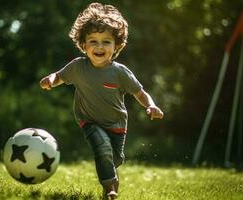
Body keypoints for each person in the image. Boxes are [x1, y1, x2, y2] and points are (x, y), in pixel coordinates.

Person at [39, 2, 164, 199]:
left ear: (116, 46)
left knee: (112, 159)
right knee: (102, 147)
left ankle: (111, 185)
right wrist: (50, 81)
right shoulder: (78, 67)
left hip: (117, 125)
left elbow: (140, 93)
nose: (99, 46)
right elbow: (60, 76)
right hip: (89, 121)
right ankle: (109, 188)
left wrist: (151, 105)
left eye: (106, 41)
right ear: (83, 45)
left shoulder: (120, 73)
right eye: (93, 41)